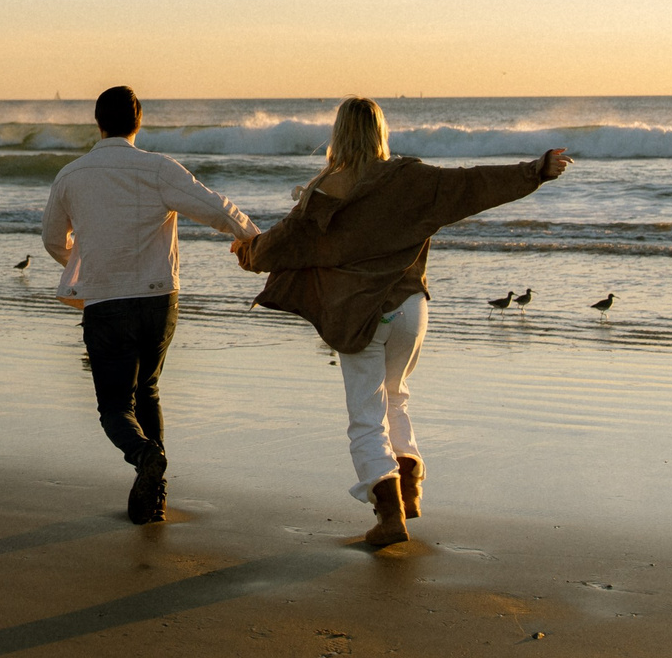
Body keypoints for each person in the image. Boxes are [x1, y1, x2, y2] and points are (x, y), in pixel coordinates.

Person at [235, 97, 569, 547]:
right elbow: (473, 185)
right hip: (412, 309)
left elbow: (282, 243)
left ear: (338, 134)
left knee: (366, 419)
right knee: (396, 397)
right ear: (380, 133)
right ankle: (409, 484)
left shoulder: (325, 191)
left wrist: (248, 252)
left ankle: (389, 517)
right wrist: (536, 170)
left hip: (361, 315)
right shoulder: (411, 179)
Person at [42, 85, 260, 525]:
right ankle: (155, 495)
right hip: (159, 298)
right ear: (138, 123)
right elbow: (216, 208)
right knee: (149, 390)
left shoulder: (71, 175)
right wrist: (256, 242)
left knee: (114, 407)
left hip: (105, 302)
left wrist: (87, 262)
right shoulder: (158, 169)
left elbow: (52, 239)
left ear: (98, 123)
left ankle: (145, 458)